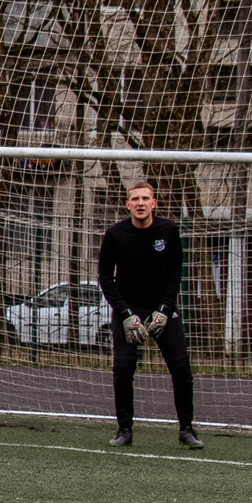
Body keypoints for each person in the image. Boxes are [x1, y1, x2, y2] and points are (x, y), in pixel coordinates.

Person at [99, 179, 200, 450]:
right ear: (127, 204)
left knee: (181, 369)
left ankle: (186, 429)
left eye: (145, 198)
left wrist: (165, 310)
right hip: (128, 310)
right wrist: (125, 314)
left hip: (161, 309)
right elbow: (105, 278)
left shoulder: (168, 230)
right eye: (135, 199)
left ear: (153, 203)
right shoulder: (115, 235)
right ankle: (124, 430)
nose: (140, 203)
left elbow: (176, 273)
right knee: (123, 370)